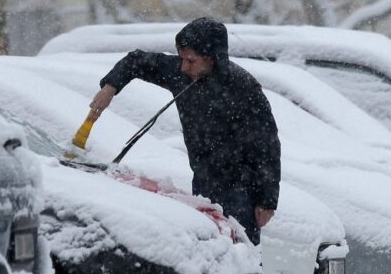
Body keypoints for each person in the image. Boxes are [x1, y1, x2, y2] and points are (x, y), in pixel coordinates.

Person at [89, 17, 281, 247]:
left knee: (241, 260)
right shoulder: (181, 74)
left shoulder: (244, 89)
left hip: (242, 192)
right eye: (181, 59)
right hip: (202, 184)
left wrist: (267, 201)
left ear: (211, 59)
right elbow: (136, 61)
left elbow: (267, 147)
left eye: (190, 60)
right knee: (209, 255)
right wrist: (110, 87)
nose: (183, 67)